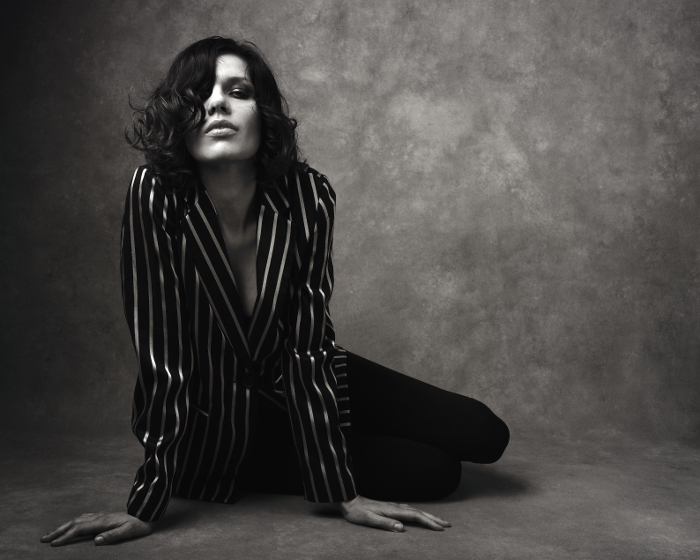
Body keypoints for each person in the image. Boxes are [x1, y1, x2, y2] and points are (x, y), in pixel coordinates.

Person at [41, 36, 509, 547]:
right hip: (214, 424)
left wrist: (337, 486)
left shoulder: (309, 196)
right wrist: (148, 503)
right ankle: (264, 464)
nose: (217, 102)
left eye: (237, 90)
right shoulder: (154, 194)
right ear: (179, 117)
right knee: (437, 473)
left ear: (263, 114)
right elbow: (163, 357)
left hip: (297, 377)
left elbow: (309, 343)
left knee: (484, 432)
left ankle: (322, 448)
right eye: (198, 94)